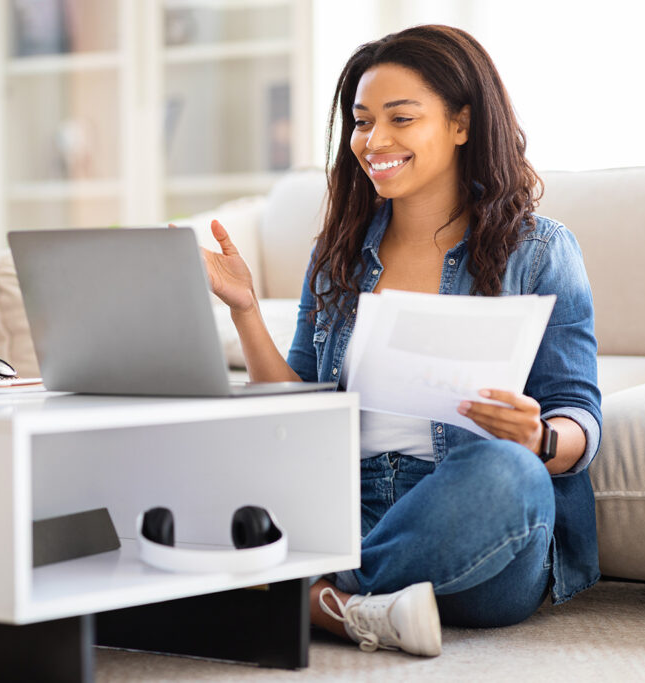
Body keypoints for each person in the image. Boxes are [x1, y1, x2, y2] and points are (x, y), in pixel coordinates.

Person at [198, 25, 601, 657]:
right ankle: (354, 606)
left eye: (401, 119)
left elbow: (580, 416)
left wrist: (538, 438)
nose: (374, 141)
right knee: (200, 457)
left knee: (510, 474)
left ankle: (306, 594)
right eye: (361, 122)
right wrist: (247, 309)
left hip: (474, 532)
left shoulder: (541, 250)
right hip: (353, 504)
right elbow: (297, 410)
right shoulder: (337, 256)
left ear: (462, 124)